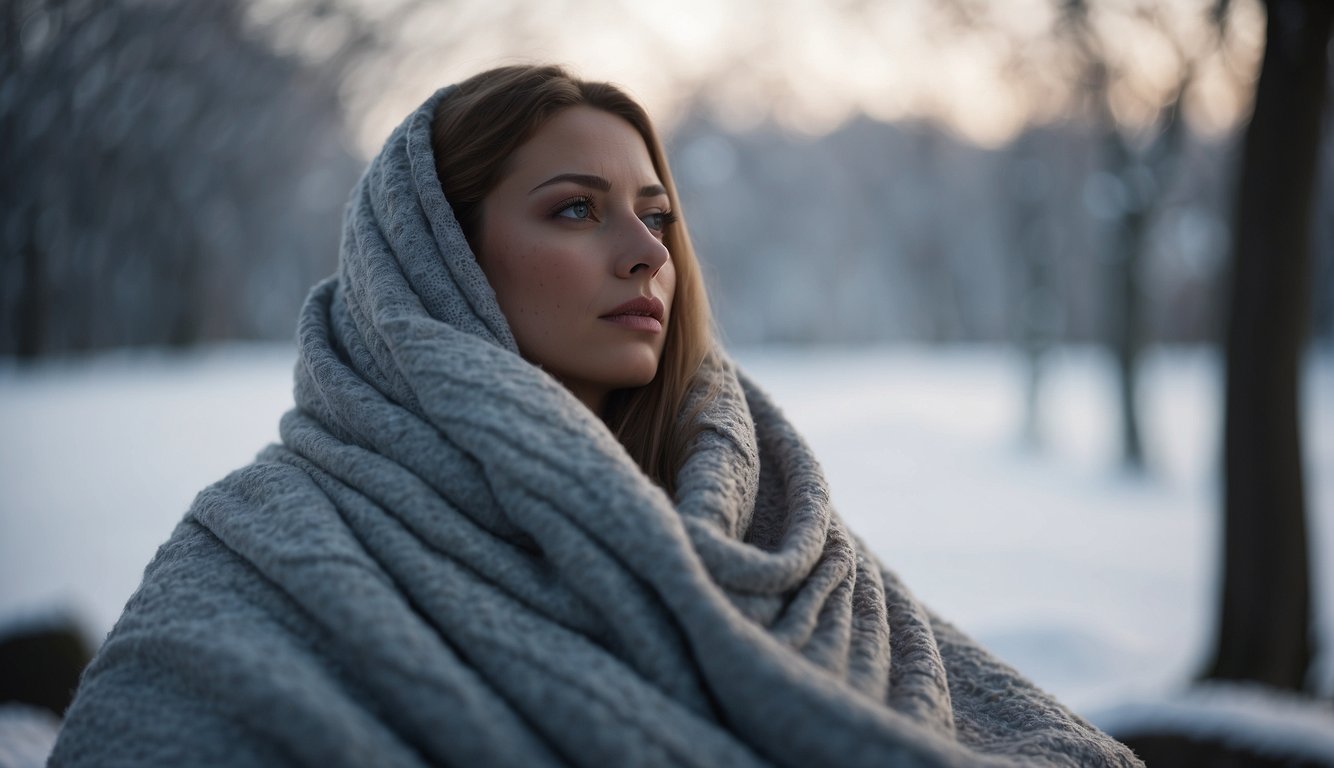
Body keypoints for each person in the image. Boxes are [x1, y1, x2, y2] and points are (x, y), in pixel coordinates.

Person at [49, 65, 1141, 767]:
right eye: (575, 209)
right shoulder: (263, 547)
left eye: (656, 214)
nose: (645, 253)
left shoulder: (775, 526)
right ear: (436, 256)